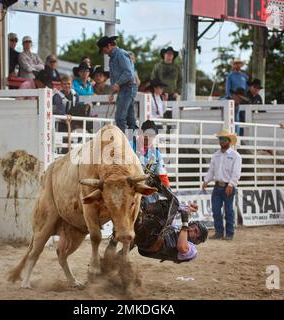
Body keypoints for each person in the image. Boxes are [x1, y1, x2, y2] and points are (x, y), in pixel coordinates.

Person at [107, 120, 208, 263]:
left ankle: (118, 245)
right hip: (124, 184)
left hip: (144, 190)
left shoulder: (156, 154)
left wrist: (172, 199)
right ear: (140, 133)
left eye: (152, 137)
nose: (148, 140)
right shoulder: (126, 148)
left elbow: (163, 177)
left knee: (154, 215)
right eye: (146, 136)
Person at [202, 130, 242, 240]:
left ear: (229, 141)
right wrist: (206, 180)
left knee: (229, 210)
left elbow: (236, 172)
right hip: (217, 186)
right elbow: (212, 170)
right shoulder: (216, 155)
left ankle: (229, 233)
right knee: (215, 210)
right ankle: (219, 232)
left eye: (224, 139)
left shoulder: (235, 156)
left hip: (228, 186)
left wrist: (231, 184)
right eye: (220, 139)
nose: (221, 141)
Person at [97, 35, 137, 133]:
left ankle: (122, 142)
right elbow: (125, 75)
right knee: (129, 118)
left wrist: (117, 84)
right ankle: (132, 142)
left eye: (103, 49)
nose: (104, 52)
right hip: (126, 88)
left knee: (120, 117)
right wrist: (113, 91)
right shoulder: (116, 56)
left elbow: (129, 73)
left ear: (108, 46)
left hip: (127, 87)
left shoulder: (120, 54)